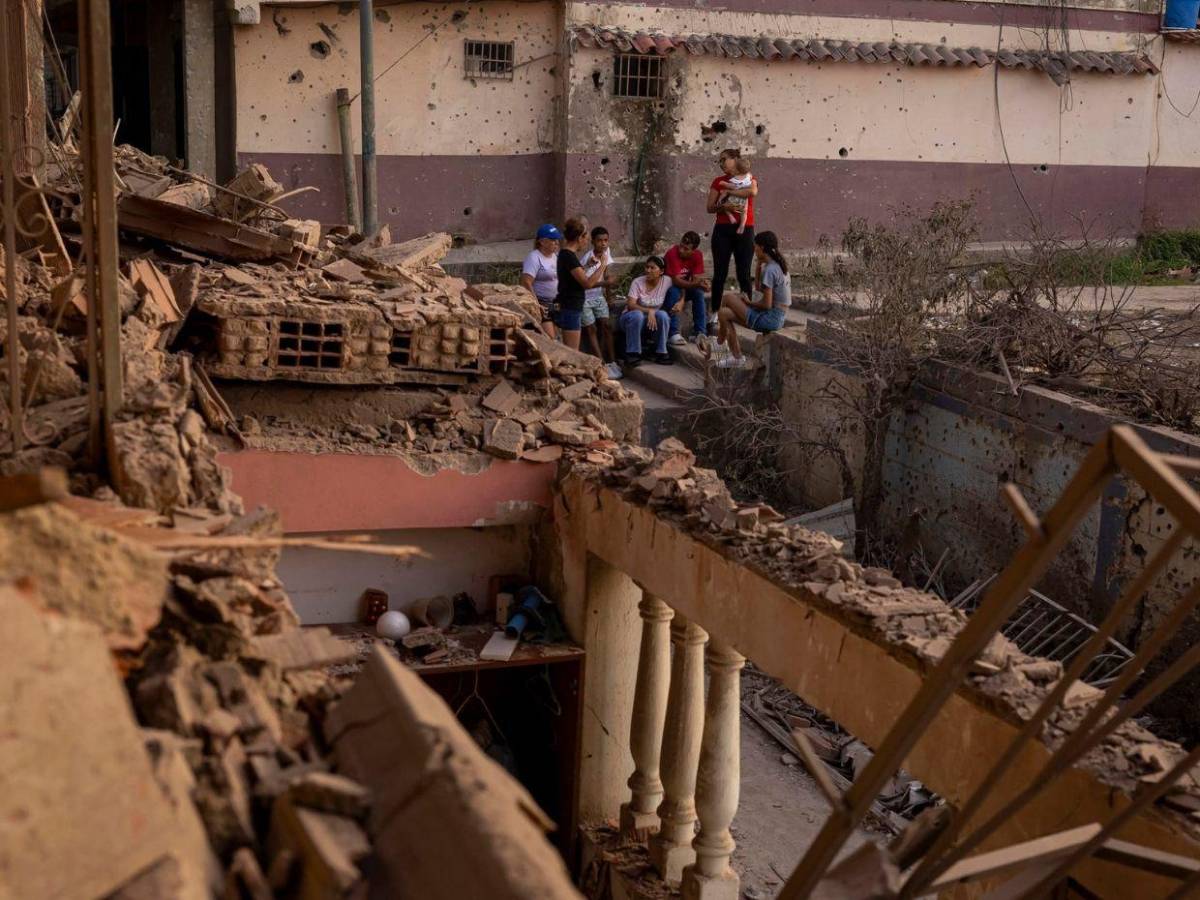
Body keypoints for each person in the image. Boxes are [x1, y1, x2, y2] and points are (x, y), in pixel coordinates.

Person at [707, 230, 790, 369]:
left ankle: (720, 342)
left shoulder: (771, 270)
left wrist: (748, 303)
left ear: (762, 247)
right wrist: (758, 267)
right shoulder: (776, 266)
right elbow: (759, 289)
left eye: (755, 246)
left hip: (769, 318)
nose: (754, 249)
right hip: (776, 317)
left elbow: (767, 305)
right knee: (723, 313)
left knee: (727, 298)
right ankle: (735, 356)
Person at [706, 148, 758, 330]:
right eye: (719, 161)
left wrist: (730, 192)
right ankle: (715, 311)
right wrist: (724, 207)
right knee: (720, 273)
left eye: (724, 159)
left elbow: (752, 192)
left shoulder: (749, 177)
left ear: (735, 159)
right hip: (722, 229)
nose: (721, 163)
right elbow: (710, 207)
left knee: (744, 273)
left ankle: (747, 312)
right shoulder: (718, 181)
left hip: (745, 229)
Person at [554, 218, 609, 351]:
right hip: (570, 306)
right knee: (572, 352)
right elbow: (587, 283)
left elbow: (575, 276)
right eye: (586, 239)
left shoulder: (567, 255)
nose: (586, 243)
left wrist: (587, 266)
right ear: (579, 238)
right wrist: (602, 265)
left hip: (571, 305)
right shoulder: (569, 256)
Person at [579, 226, 622, 380]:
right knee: (591, 329)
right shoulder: (587, 258)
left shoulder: (606, 253)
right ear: (593, 242)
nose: (603, 244)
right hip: (584, 298)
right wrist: (605, 283)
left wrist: (609, 297)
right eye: (599, 241)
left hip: (598, 297)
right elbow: (585, 284)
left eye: (606, 240)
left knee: (607, 326)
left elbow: (608, 276)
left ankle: (612, 361)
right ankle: (601, 363)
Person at [619, 256, 672, 368]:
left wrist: (681, 301)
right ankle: (633, 353)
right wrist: (649, 311)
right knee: (638, 315)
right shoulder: (637, 282)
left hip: (650, 323)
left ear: (661, 271)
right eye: (647, 267)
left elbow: (680, 288)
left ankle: (661, 352)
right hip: (630, 320)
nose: (648, 270)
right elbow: (631, 305)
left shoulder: (667, 281)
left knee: (663, 315)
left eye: (652, 268)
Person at [663, 231, 710, 348]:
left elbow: (695, 280)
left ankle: (700, 332)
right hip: (668, 288)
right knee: (674, 292)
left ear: (693, 251)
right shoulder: (672, 253)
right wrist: (682, 300)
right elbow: (676, 281)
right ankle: (673, 333)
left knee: (698, 293)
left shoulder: (697, 256)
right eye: (681, 246)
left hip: (684, 287)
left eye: (686, 249)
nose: (681, 250)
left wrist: (702, 284)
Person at [521, 224, 562, 338]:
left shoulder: (555, 256)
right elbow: (526, 282)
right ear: (542, 242)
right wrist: (536, 304)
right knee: (549, 337)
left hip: (555, 302)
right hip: (542, 302)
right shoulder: (534, 257)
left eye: (557, 240)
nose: (557, 243)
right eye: (553, 240)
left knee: (556, 336)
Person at [717, 157, 754, 234]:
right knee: (744, 213)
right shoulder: (749, 177)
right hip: (744, 200)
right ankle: (742, 225)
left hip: (734, 199)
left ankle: (731, 217)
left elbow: (732, 187)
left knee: (724, 206)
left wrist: (723, 184)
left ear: (737, 170)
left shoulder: (735, 179)